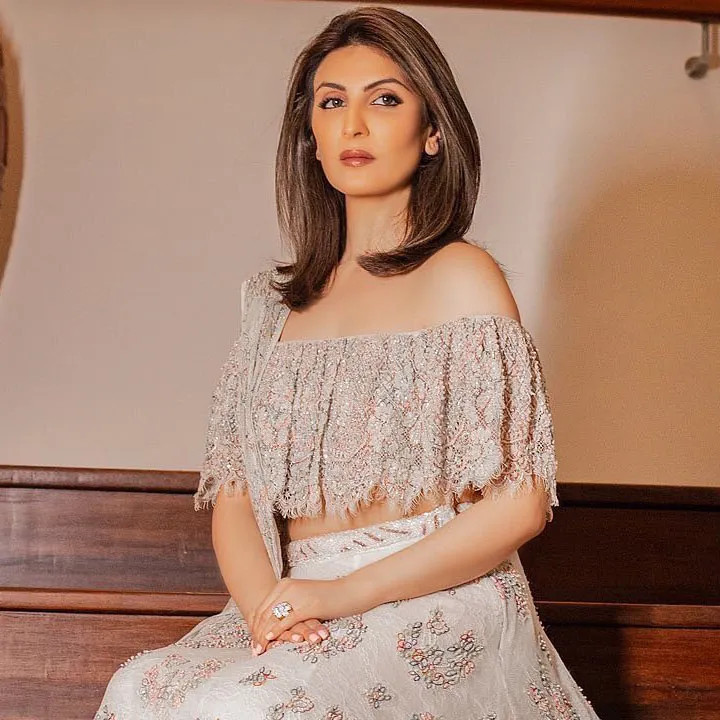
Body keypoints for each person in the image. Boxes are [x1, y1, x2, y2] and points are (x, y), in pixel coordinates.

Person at [94, 5, 603, 719]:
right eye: (332, 102)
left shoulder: (462, 277)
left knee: (247, 710)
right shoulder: (273, 308)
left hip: (428, 596)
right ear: (310, 135)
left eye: (384, 99)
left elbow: (520, 503)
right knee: (139, 689)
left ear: (432, 131)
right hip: (292, 602)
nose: (353, 125)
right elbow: (236, 497)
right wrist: (269, 610)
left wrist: (340, 595)